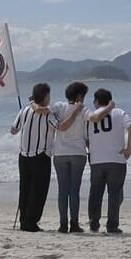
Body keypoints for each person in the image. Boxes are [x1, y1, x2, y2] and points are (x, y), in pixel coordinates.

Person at [86, 88, 131, 234]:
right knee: (114, 193)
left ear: (96, 101)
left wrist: (93, 147)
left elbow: (86, 139)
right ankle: (112, 225)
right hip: (116, 159)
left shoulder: (90, 115)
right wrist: (129, 149)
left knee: (95, 192)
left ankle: (94, 223)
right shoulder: (119, 112)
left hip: (97, 159)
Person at [10, 83, 57, 232]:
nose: (50, 98)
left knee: (24, 189)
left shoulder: (24, 110)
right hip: (40, 155)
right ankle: (31, 221)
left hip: (23, 155)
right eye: (48, 96)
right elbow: (60, 127)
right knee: (39, 190)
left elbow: (13, 129)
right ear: (44, 97)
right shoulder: (48, 114)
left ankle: (24, 220)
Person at [49, 82, 90, 234]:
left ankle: (62, 224)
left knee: (62, 190)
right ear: (79, 96)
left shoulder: (59, 107)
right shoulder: (84, 110)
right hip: (78, 153)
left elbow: (46, 111)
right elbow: (87, 135)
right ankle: (74, 224)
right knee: (74, 191)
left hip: (60, 154)